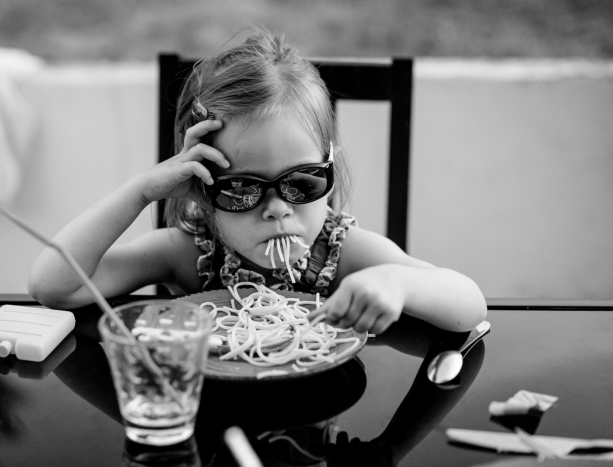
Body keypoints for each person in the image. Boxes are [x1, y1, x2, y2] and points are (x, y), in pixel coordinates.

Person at [28, 28, 486, 335]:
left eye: (303, 183)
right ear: (203, 186)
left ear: (330, 164)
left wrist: (396, 282)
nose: (277, 208)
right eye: (241, 189)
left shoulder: (345, 254)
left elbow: (470, 306)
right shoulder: (189, 255)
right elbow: (54, 287)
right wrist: (141, 191)